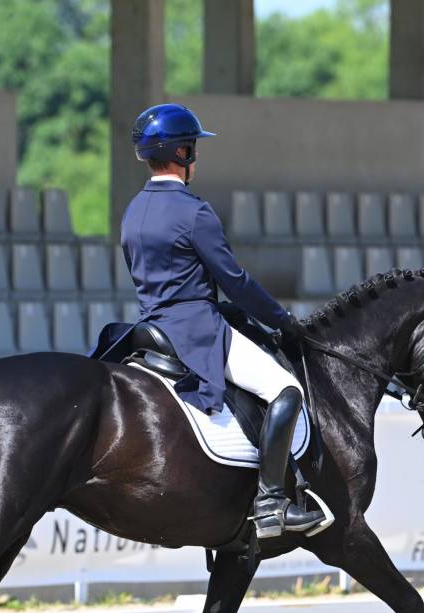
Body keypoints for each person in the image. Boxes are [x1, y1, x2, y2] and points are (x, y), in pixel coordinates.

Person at [120, 103, 326, 539]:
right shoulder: (194, 212)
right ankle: (271, 503)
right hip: (194, 330)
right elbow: (235, 282)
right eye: (192, 148)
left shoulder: (134, 210)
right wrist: (282, 319)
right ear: (182, 153)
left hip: (150, 328)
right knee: (285, 389)